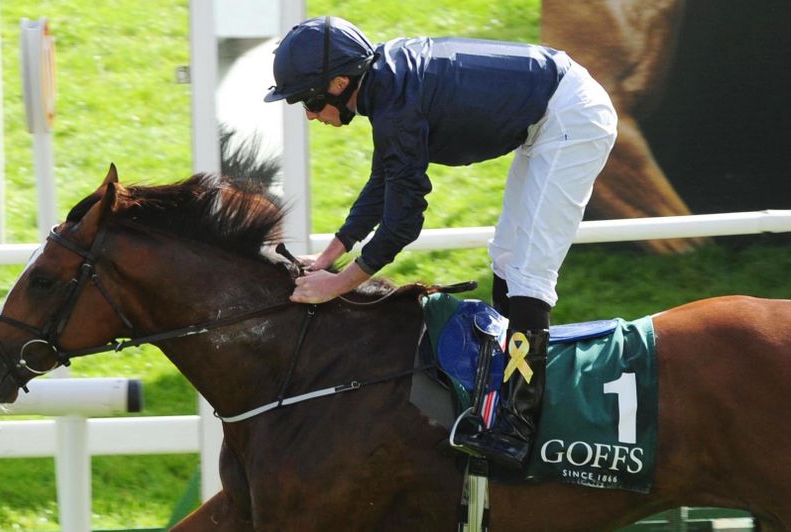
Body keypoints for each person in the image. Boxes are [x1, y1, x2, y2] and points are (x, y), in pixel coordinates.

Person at [264, 16, 617, 469]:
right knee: (506, 256)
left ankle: (519, 428)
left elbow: (403, 223)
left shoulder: (393, 100)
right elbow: (384, 180)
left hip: (570, 117)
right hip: (550, 108)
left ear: (338, 83)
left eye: (309, 101)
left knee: (530, 271)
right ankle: (500, 395)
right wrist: (330, 254)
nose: (311, 115)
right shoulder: (384, 83)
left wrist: (338, 284)